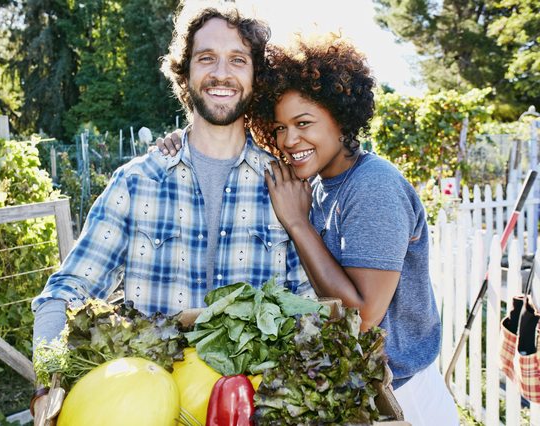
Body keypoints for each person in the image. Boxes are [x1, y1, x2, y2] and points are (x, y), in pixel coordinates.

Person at [29, 3, 312, 422]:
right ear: (185, 73)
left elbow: (309, 310)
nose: (221, 73)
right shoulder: (136, 182)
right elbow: (65, 292)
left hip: (247, 413)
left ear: (256, 78)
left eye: (238, 60)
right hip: (142, 411)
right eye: (206, 59)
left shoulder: (285, 188)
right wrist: (48, 380)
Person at [158, 34, 459, 425]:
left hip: (406, 398)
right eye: (280, 127)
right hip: (362, 393)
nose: (289, 140)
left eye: (303, 123)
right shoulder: (315, 183)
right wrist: (180, 140)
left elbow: (363, 318)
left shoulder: (374, 187)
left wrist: (298, 223)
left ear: (341, 117)